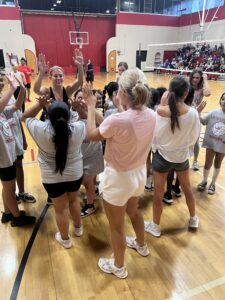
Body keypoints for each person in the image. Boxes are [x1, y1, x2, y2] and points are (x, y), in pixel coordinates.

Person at [83, 68, 156, 279]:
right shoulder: (151, 114)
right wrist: (121, 107)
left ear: (122, 92)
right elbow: (122, 123)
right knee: (133, 212)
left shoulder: (119, 120)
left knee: (116, 227)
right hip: (138, 175)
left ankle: (119, 266)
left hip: (117, 179)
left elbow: (91, 134)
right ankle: (141, 245)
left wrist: (90, 107)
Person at [23, 99, 86, 249]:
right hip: (75, 174)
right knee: (74, 200)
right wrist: (78, 108)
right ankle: (78, 229)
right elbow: (85, 119)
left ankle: (65, 240)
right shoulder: (78, 128)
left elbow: (24, 116)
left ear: (48, 116)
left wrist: (40, 104)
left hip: (51, 178)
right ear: (69, 116)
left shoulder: (41, 129)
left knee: (60, 209)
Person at [144, 76, 203, 238]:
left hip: (161, 157)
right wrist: (183, 148)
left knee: (158, 194)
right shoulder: (192, 114)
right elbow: (193, 138)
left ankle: (155, 226)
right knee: (187, 189)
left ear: (169, 92)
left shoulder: (160, 111)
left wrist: (162, 104)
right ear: (186, 93)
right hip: (181, 158)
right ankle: (193, 219)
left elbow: (154, 135)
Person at [0, 72, 36, 226]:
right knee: (8, 188)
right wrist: (12, 87)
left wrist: (21, 88)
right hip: (2, 157)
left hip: (7, 154)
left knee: (7, 186)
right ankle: (17, 217)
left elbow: (15, 107)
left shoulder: (3, 109)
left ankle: (8, 213)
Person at [72, 89, 104, 217]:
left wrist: (89, 108)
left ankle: (90, 206)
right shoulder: (72, 114)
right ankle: (93, 193)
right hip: (78, 155)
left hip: (93, 154)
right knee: (86, 182)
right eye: (79, 98)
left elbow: (103, 123)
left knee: (88, 182)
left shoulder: (95, 113)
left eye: (84, 98)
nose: (81, 101)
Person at [197, 93, 225, 195]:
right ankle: (204, 181)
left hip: (222, 146)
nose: (224, 101)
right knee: (207, 163)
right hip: (211, 143)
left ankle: (213, 184)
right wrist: (198, 112)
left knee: (217, 164)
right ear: (220, 100)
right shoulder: (214, 112)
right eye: (223, 99)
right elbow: (203, 121)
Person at [189, 70, 211, 171]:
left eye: (197, 78)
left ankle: (195, 161)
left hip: (196, 116)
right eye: (193, 77)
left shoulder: (201, 88)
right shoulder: (187, 86)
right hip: (186, 116)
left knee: (196, 141)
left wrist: (205, 80)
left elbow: (208, 93)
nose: (195, 80)